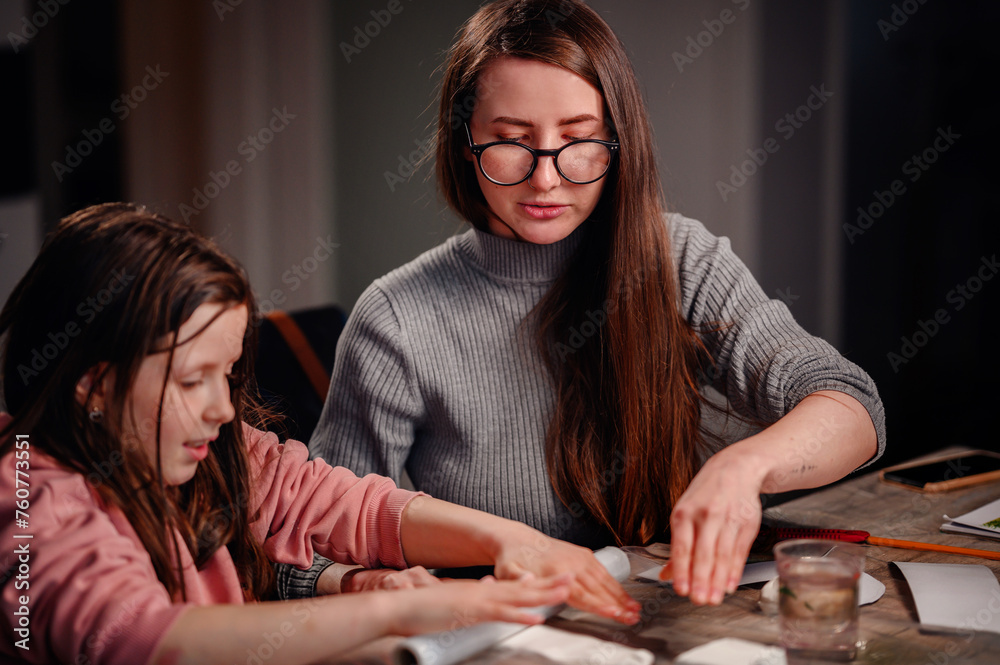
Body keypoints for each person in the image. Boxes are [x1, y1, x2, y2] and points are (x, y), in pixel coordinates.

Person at [305, 0, 886, 609]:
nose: (546, 179)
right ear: (464, 142)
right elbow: (305, 542)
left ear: (617, 140)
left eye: (579, 141)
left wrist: (743, 469)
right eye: (511, 141)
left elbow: (854, 405)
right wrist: (354, 580)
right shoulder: (396, 319)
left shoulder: (681, 259)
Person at [0, 203, 640, 665]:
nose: (224, 409)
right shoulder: (30, 497)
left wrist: (513, 541)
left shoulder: (204, 450)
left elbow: (350, 505)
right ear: (96, 384)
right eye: (194, 380)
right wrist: (397, 611)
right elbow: (146, 641)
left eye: (227, 375)